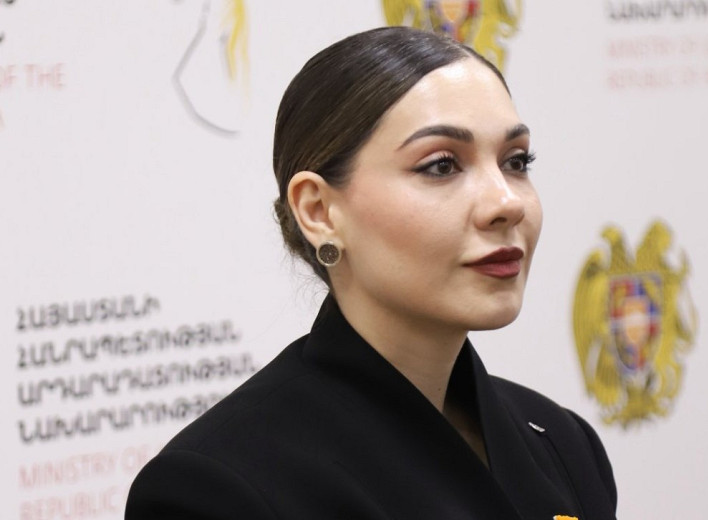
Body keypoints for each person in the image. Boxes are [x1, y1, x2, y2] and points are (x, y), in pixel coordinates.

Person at [125, 26, 617, 519]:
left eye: (516, 161)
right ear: (319, 211)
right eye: (442, 166)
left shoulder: (563, 443)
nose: (507, 203)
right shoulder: (219, 488)